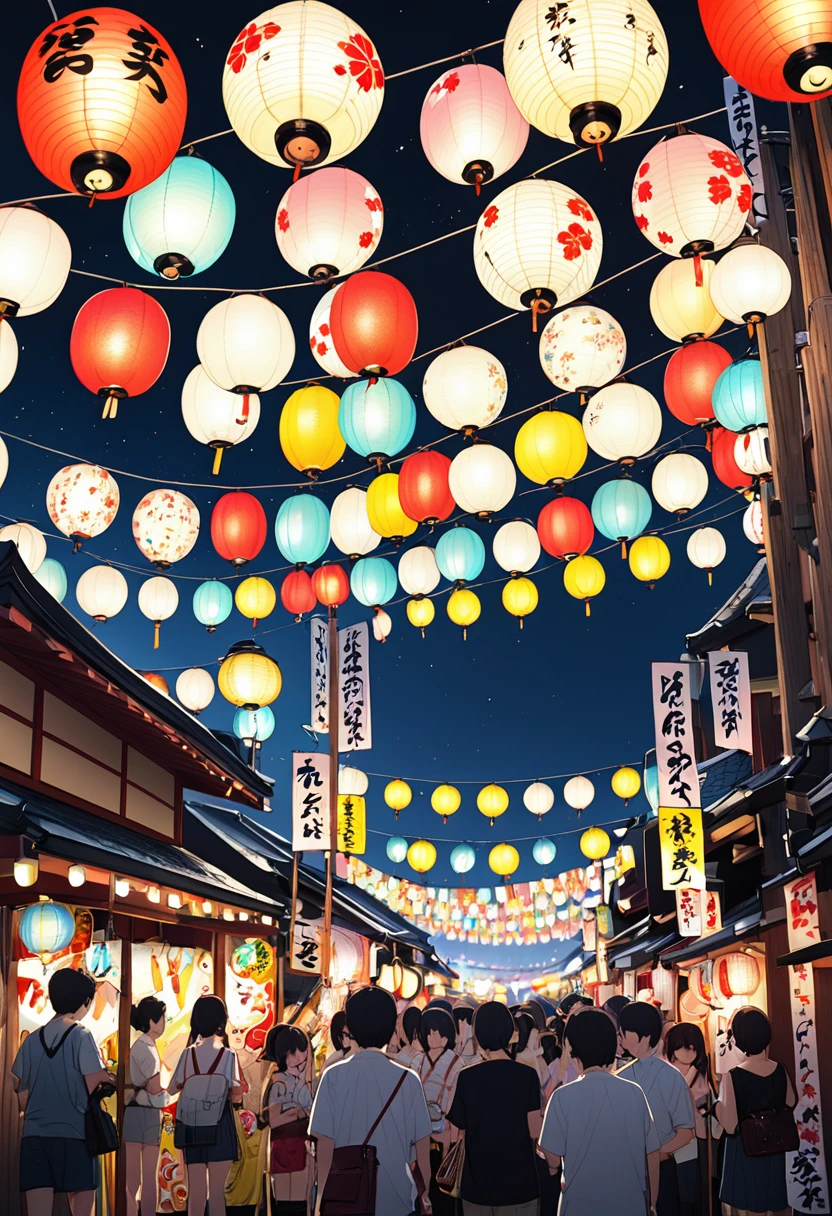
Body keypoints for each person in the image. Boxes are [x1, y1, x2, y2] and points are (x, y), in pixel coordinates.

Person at [309, 985, 432, 1216]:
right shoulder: (408, 1079)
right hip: (398, 1201)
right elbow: (422, 1150)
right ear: (390, 1027)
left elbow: (325, 1148)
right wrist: (426, 1195)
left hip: (346, 1199)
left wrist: (320, 1203)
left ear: (352, 1028)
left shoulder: (333, 1076)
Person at [539, 1006, 662, 1216]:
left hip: (580, 1205)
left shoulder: (562, 1097)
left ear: (570, 1047)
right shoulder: (634, 1093)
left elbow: (551, 1156)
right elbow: (651, 1153)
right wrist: (651, 1203)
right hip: (630, 1205)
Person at [12, 968, 112, 1216]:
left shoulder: (31, 1040)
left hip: (34, 1138)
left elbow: (21, 1092)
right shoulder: (81, 1034)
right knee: (82, 1206)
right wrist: (109, 1077)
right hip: (74, 1134)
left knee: (37, 1210)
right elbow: (90, 1082)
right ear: (85, 1002)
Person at [447, 1000, 542, 1216]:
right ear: (510, 1033)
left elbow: (458, 1131)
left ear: (477, 1036)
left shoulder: (466, 1077)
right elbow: (535, 1131)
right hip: (520, 1185)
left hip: (476, 1187)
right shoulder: (526, 1076)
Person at [716, 1006, 795, 1216]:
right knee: (775, 1204)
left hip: (745, 1151)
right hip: (775, 1149)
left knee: (750, 1207)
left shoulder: (733, 1076)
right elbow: (791, 1101)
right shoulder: (779, 1069)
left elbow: (730, 1125)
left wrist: (717, 1108)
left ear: (739, 1039)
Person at [617, 1002, 695, 1216]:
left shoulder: (671, 1076)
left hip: (662, 1166)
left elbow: (687, 1132)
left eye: (624, 1031)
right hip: (628, 1167)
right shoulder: (621, 1075)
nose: (620, 1036)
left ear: (643, 1035)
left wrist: (658, 1153)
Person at [170, 994, 242, 1216]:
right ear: (222, 1021)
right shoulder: (229, 1056)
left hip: (192, 1129)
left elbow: (172, 1089)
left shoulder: (187, 1054)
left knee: (197, 1193)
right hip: (220, 1127)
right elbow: (237, 1095)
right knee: (217, 1194)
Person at [417, 1006, 465, 1216]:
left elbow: (457, 1103)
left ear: (446, 1034)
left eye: (435, 1032)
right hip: (420, 1137)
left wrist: (452, 1143)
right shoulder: (417, 1061)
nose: (430, 1036)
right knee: (421, 1194)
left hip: (445, 1137)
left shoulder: (457, 1063)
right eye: (427, 1032)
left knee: (444, 1198)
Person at [125, 995, 169, 1216]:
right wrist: (172, 1093)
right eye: (163, 1017)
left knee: (134, 1180)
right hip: (146, 1114)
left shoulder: (140, 1045)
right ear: (152, 1021)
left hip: (135, 1114)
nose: (165, 1022)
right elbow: (154, 1089)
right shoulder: (147, 1047)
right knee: (143, 1178)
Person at [263, 1023, 314, 1214]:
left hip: (301, 1145)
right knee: (286, 1203)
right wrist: (296, 1113)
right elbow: (274, 1120)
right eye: (297, 1052)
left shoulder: (303, 1081)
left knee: (300, 1202)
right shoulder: (278, 1083)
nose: (302, 1057)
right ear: (286, 1054)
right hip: (284, 1145)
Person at [666, 1023, 713, 1216]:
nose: (688, 1051)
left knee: (693, 1192)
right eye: (683, 1046)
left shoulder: (701, 1073)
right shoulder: (668, 1073)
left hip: (697, 1139)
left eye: (693, 1046)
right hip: (675, 1140)